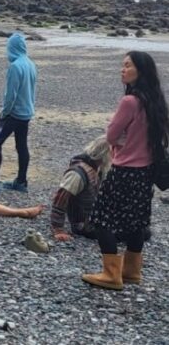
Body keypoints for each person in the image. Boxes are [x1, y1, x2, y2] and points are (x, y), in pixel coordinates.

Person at [82, 52, 169, 290]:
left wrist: (119, 136)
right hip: (146, 172)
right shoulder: (156, 101)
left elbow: (110, 135)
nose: (122, 69)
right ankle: (132, 271)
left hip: (124, 169)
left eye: (127, 66)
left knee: (101, 218)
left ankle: (111, 274)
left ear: (140, 70)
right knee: (136, 221)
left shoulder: (129, 102)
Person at [0, 32, 36, 193]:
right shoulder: (30, 64)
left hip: (13, 114)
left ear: (11, 48)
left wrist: (4, 113)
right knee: (21, 145)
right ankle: (21, 181)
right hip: (26, 113)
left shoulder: (15, 66)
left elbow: (10, 95)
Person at [50, 136, 111, 242]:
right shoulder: (78, 173)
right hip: (83, 224)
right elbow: (60, 198)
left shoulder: (97, 169)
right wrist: (58, 228)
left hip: (94, 217)